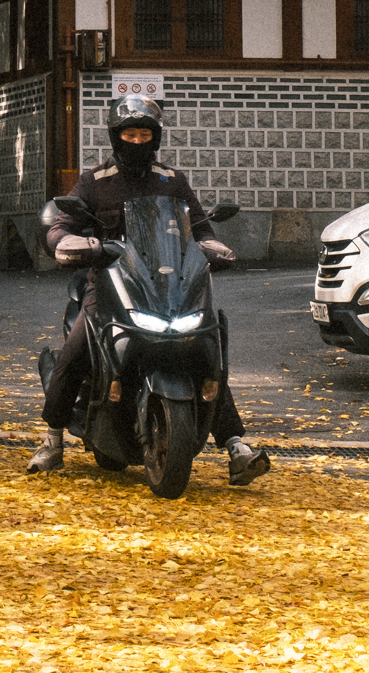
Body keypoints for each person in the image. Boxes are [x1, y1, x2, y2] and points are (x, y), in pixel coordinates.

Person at [27, 93, 271, 485]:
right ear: (116, 137)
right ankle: (52, 440)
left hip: (170, 287)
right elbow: (61, 223)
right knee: (76, 350)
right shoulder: (94, 182)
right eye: (130, 134)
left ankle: (236, 445)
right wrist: (69, 241)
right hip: (110, 286)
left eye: (144, 134)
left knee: (204, 347)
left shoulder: (172, 181)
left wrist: (213, 247)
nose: (137, 141)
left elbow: (201, 228)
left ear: (155, 138)